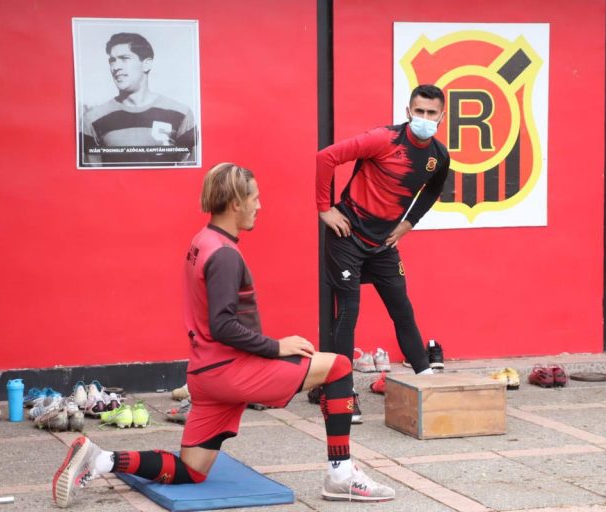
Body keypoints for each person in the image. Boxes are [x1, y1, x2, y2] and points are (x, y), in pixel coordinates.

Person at [51, 163, 395, 508]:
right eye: (255, 199)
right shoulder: (225, 254)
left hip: (207, 375)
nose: (259, 206)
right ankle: (341, 476)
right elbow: (224, 326)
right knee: (337, 366)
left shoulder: (202, 241)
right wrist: (277, 347)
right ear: (235, 203)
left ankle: (100, 459)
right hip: (232, 372)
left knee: (192, 470)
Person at [314, 84, 451, 420]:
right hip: (347, 235)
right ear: (407, 112)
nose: (424, 118)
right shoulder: (383, 139)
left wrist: (409, 223)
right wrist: (324, 208)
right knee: (348, 311)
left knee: (402, 309)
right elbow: (325, 157)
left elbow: (433, 188)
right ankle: (341, 393)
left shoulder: (439, 155)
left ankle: (426, 381)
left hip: (383, 245)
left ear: (442, 118)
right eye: (418, 111)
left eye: (431, 113)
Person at [80, 32, 197, 167]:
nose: (115, 67)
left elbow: (190, 171)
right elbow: (92, 179)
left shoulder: (181, 113)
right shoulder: (92, 119)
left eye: (124, 58)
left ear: (146, 64)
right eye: (112, 60)